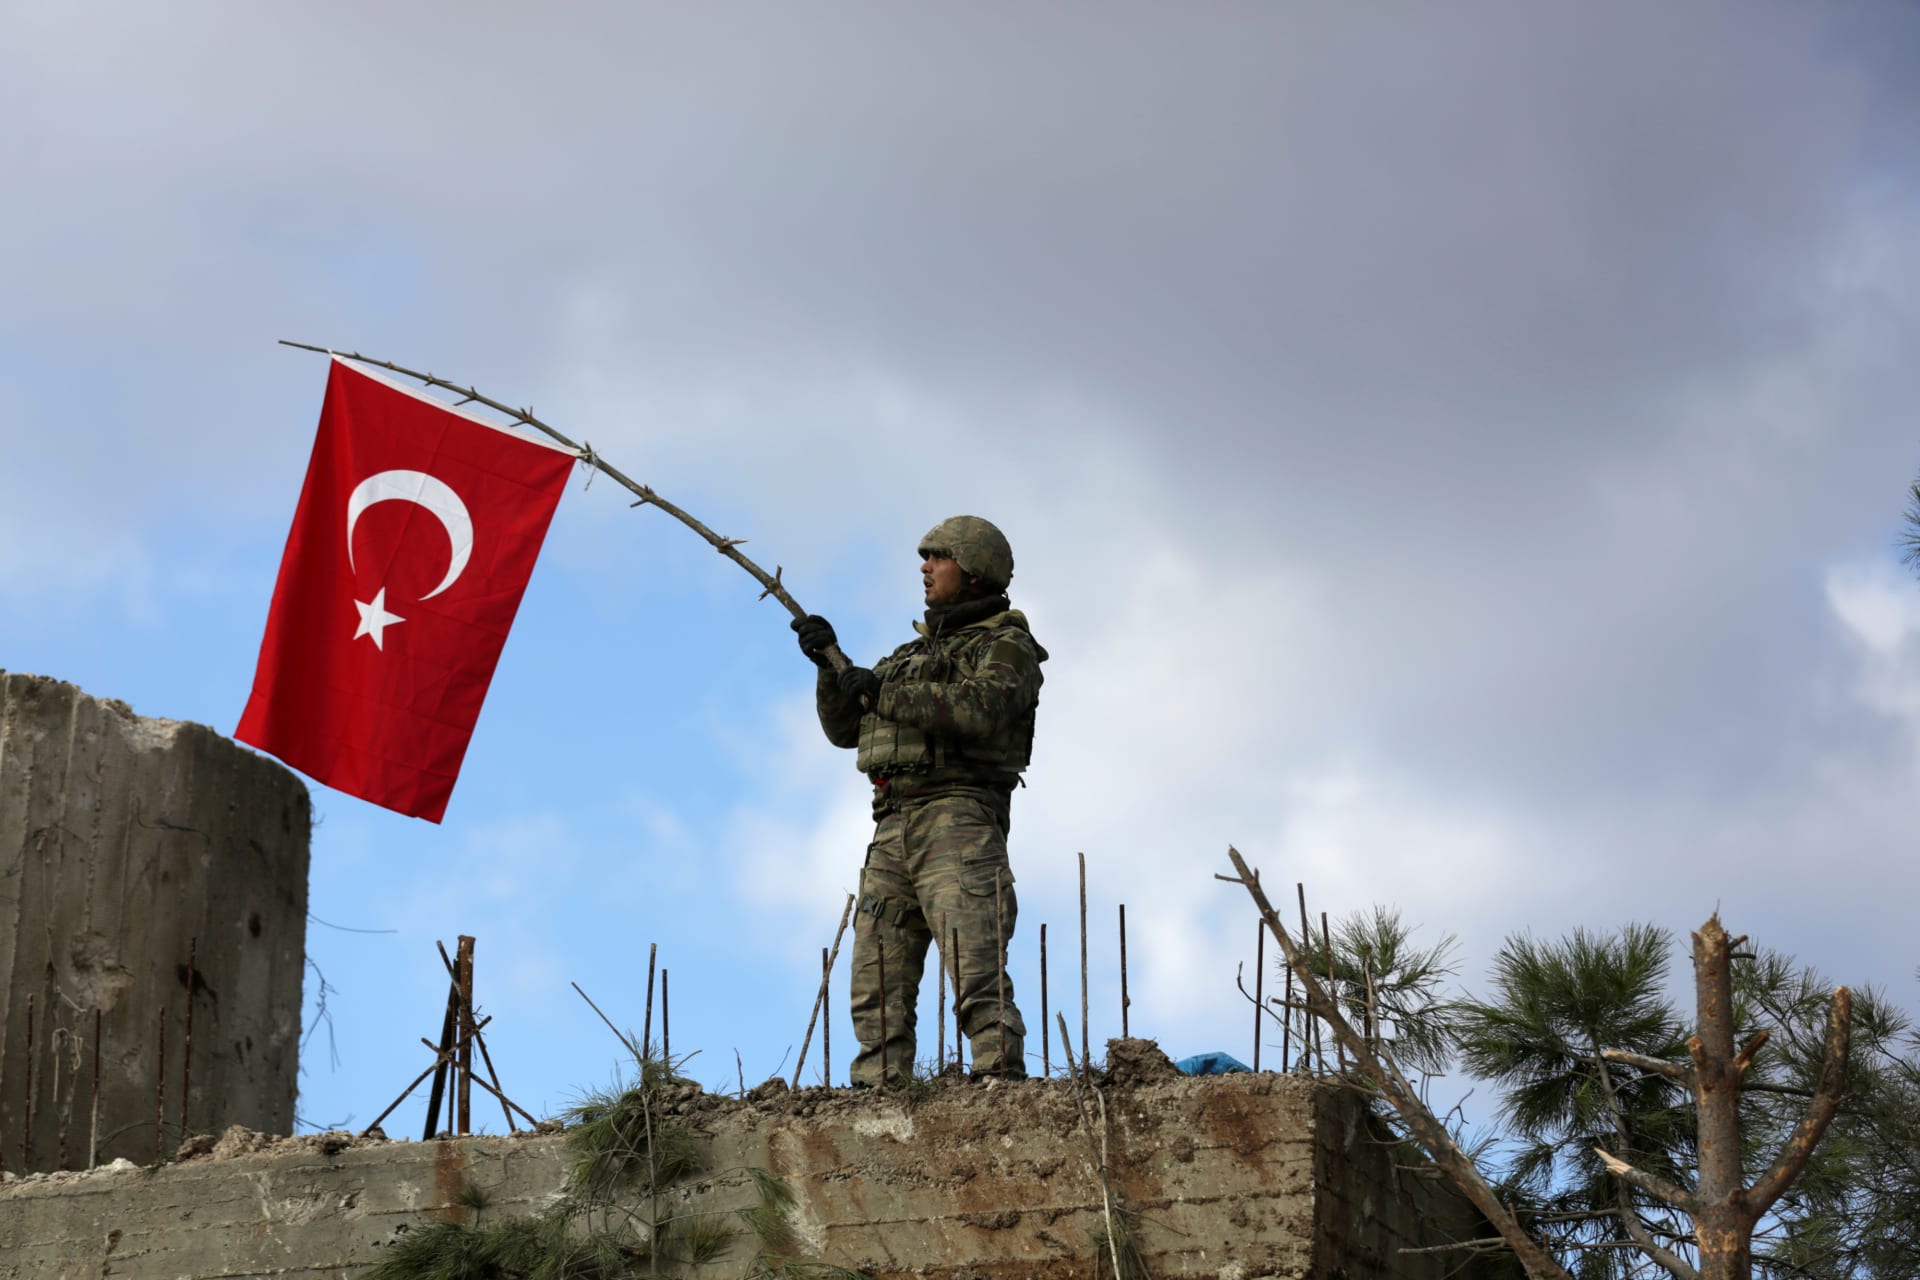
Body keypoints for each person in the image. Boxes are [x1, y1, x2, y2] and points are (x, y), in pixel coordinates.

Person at [791, 516, 1046, 1084]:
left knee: (974, 959)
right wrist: (830, 669)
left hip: (959, 817)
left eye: (939, 557)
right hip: (892, 821)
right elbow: (844, 730)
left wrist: (883, 690)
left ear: (975, 572)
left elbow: (981, 708)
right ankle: (878, 1089)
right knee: (876, 972)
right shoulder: (907, 655)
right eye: (925, 557)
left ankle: (997, 1078)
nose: (925, 568)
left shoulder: (1007, 646)